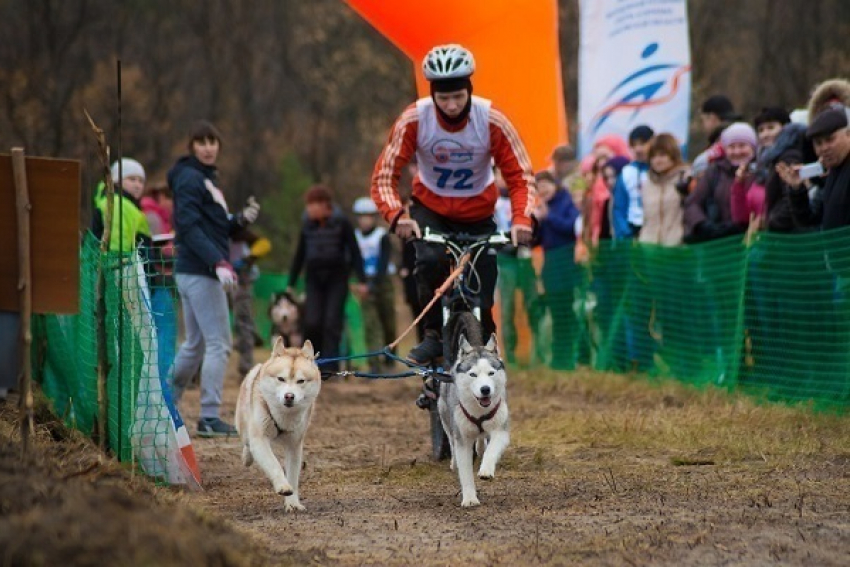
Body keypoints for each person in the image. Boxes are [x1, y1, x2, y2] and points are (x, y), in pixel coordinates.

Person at [369, 43, 535, 365]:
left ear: (469, 91)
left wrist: (522, 221)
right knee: (429, 262)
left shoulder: (492, 120)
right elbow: (385, 174)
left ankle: (483, 345)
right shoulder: (415, 119)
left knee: (483, 287)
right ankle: (432, 335)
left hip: (478, 213)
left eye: (458, 96)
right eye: (443, 98)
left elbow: (521, 176)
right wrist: (396, 216)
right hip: (431, 208)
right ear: (432, 94)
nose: (452, 105)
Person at [169, 120, 261, 437]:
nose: (208, 147)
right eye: (201, 142)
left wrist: (238, 221)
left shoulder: (206, 179)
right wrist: (218, 261)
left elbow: (214, 227)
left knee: (195, 344)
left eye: (213, 141)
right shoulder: (190, 179)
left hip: (194, 270)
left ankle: (166, 401)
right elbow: (190, 229)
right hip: (201, 271)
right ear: (192, 146)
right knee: (219, 344)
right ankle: (209, 417)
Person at [287, 185, 368, 372]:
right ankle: (310, 363)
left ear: (324, 205)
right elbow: (300, 254)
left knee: (332, 322)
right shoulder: (307, 224)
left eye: (313, 205)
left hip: (337, 278)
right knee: (312, 321)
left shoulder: (342, 223)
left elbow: (355, 252)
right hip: (314, 278)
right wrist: (291, 284)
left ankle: (329, 367)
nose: (309, 210)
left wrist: (362, 280)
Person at [533, 170, 580, 370]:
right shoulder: (544, 208)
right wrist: (535, 223)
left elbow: (571, 228)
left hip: (567, 264)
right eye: (539, 187)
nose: (543, 190)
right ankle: (559, 358)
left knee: (566, 313)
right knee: (556, 313)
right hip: (550, 266)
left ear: (555, 184)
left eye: (546, 185)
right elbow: (537, 240)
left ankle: (570, 357)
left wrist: (548, 216)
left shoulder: (566, 202)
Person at [684, 122, 755, 243]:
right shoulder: (715, 171)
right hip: (717, 243)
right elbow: (693, 202)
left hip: (751, 239)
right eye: (732, 147)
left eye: (742, 146)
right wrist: (703, 225)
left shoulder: (760, 172)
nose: (737, 151)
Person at [782, 106, 850, 230]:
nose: (824, 148)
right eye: (818, 143)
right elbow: (810, 220)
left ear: (848, 135)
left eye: (830, 140)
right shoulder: (831, 173)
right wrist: (797, 190)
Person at [352, 197, 397, 372]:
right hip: (364, 283)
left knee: (388, 323)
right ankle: (374, 363)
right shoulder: (355, 237)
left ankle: (390, 356)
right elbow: (353, 261)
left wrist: (374, 285)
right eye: (361, 216)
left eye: (368, 216)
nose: (364, 220)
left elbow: (383, 263)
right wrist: (358, 283)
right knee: (371, 324)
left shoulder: (382, 236)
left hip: (383, 283)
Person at [229, 227, 272, 376]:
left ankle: (246, 369)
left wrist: (249, 258)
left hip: (242, 280)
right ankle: (252, 334)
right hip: (216, 279)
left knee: (242, 323)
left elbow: (264, 243)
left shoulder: (235, 228)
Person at [91, 158, 151, 252]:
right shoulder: (117, 204)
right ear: (116, 181)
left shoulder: (128, 205)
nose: (137, 185)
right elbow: (117, 246)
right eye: (132, 179)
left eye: (141, 181)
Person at [640, 134, 689, 246]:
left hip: (677, 248)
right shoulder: (647, 183)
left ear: (673, 155)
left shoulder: (685, 178)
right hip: (649, 248)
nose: (657, 161)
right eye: (653, 156)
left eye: (662, 155)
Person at [612, 125, 654, 240]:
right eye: (634, 145)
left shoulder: (660, 171)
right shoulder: (627, 172)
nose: (638, 149)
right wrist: (626, 235)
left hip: (655, 231)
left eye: (642, 144)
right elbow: (619, 208)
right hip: (632, 230)